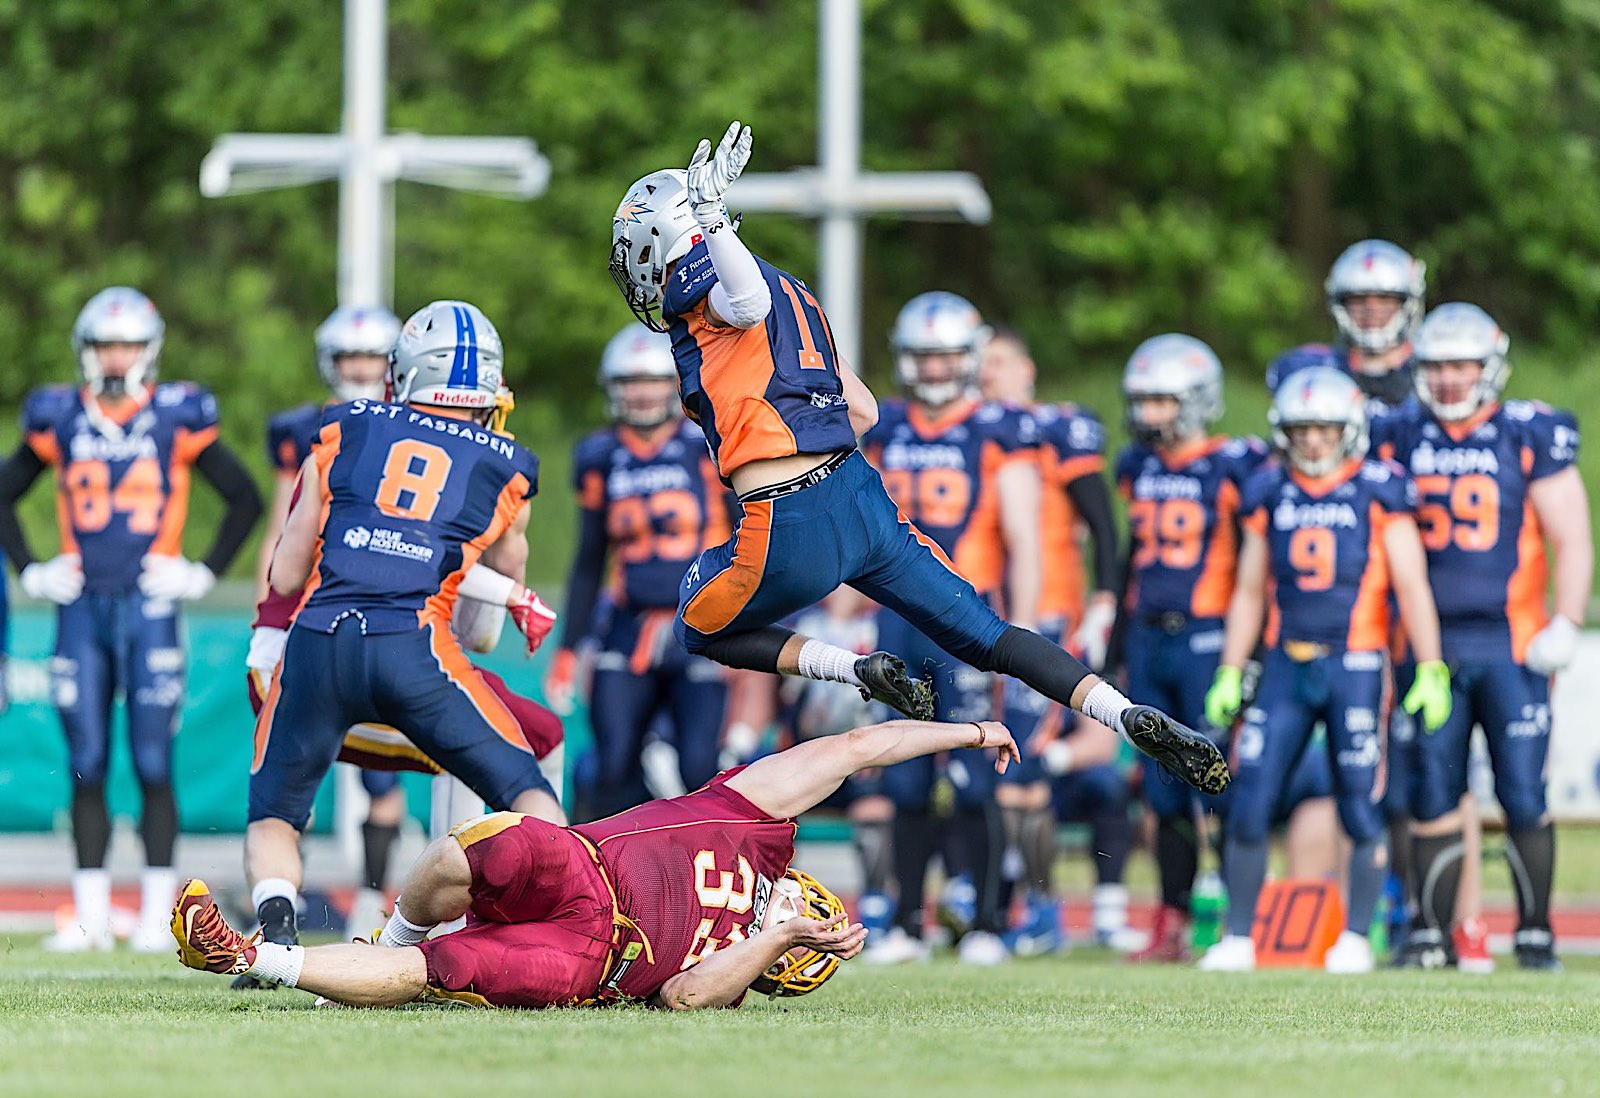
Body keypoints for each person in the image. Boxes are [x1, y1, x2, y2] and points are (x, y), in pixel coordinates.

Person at [608, 120, 1228, 800]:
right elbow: (865, 412)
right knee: (990, 638)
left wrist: (714, 221)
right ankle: (1120, 711)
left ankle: (854, 670)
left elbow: (744, 299)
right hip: (861, 499)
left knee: (698, 623)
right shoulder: (798, 296)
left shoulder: (713, 296)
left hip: (786, 517)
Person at [172, 717, 1023, 1009]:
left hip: (594, 958)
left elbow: (687, 995)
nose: (803, 924)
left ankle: (249, 956)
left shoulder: (737, 965)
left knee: (434, 971)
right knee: (485, 838)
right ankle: (378, 935)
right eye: (804, 920)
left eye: (802, 943)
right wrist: (973, 732)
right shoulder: (756, 824)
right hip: (581, 867)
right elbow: (857, 746)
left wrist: (778, 936)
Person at [246, 300, 565, 965]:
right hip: (414, 648)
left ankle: (277, 940)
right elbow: (491, 601)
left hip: (320, 640)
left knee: (276, 812)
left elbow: (286, 568)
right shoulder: (506, 464)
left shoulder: (342, 431)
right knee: (527, 783)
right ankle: (558, 924)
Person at [0, 287, 262, 952]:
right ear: (86, 351)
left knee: (152, 760)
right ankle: (90, 916)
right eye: (104, 344)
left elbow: (245, 497)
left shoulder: (178, 415)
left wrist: (202, 570)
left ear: (149, 349)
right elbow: (4, 492)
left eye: (126, 344)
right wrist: (29, 567)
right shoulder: (58, 415)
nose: (115, 358)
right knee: (85, 760)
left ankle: (155, 915)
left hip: (150, 609)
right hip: (83, 610)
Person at [1198, 366, 1452, 974]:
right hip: (1287, 664)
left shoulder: (1378, 488)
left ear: (1350, 429)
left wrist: (1430, 663)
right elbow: (1251, 592)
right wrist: (1231, 669)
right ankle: (1238, 936)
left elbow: (1412, 587)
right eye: (1302, 429)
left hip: (1358, 663)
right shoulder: (1269, 490)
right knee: (1251, 796)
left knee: (1360, 803)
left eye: (1325, 428)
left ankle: (1358, 936)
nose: (1312, 441)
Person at [1373, 303, 1590, 971]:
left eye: (1460, 364)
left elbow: (1571, 535)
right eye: (1436, 365)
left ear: (1488, 365)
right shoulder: (1397, 432)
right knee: (1429, 794)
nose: (1447, 378)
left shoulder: (1527, 433)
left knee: (1522, 792)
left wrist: (1567, 619)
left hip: (1511, 643)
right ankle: (1431, 935)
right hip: (1429, 649)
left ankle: (1533, 933)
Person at [857, 292, 1037, 966]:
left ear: (969, 358)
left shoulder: (996, 430)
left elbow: (1023, 537)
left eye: (945, 355)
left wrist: (1021, 629)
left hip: (967, 618)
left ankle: (989, 922)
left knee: (975, 774)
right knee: (899, 776)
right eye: (923, 355)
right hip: (897, 617)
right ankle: (907, 920)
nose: (933, 368)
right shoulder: (886, 426)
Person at [1109, 334, 1266, 963]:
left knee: (1218, 778)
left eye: (1162, 401)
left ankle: (1236, 916)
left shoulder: (1233, 466)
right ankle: (1172, 916)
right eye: (1142, 401)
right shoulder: (1135, 467)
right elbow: (1128, 561)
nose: (1149, 414)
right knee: (1162, 789)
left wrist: (1245, 654)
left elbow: (1259, 566)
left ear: (1197, 401)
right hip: (1149, 638)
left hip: (1208, 638)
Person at [547, 323, 738, 820]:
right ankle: (609, 885)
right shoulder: (600, 457)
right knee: (614, 764)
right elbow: (589, 560)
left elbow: (748, 537)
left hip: (700, 623)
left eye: (652, 380)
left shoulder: (706, 446)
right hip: (627, 627)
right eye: (630, 381)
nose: (642, 392)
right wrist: (568, 648)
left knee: (699, 765)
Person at [979, 326, 1126, 954]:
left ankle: (1035, 904)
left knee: (1025, 760)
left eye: (1001, 361)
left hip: (1048, 612)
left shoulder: (1055, 429)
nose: (989, 373)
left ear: (1028, 369)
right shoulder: (968, 431)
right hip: (981, 615)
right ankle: (1004, 899)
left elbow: (1102, 521)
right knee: (991, 763)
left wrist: (1105, 598)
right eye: (981, 363)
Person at [1322, 239, 1427, 410]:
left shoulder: (1434, 370)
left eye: (1384, 298)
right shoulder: (1321, 369)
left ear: (1408, 303)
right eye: (1358, 299)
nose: (1371, 308)